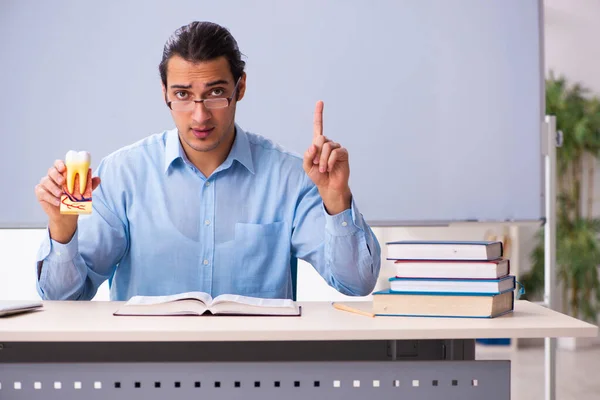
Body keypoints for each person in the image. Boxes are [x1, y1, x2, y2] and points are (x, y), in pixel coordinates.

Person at [34, 21, 381, 301]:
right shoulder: (123, 174)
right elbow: (64, 299)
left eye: (215, 93)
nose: (199, 116)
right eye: (183, 95)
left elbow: (357, 283)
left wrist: (336, 199)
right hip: (145, 375)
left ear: (239, 88)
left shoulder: (289, 177)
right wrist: (62, 231)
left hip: (258, 376)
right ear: (165, 92)